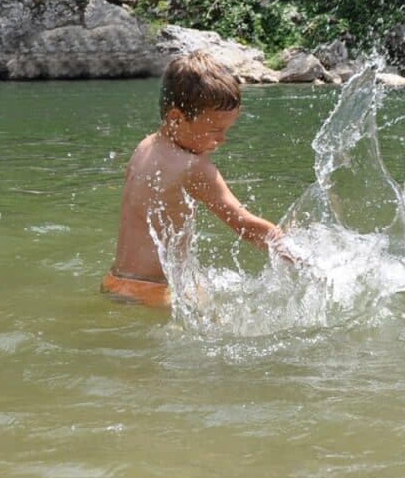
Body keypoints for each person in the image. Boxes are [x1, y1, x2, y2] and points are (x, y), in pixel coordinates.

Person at [102, 50, 282, 307]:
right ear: (176, 118)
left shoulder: (145, 146)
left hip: (116, 282)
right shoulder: (193, 166)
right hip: (154, 294)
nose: (222, 140)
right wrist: (297, 252)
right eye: (215, 130)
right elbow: (245, 224)